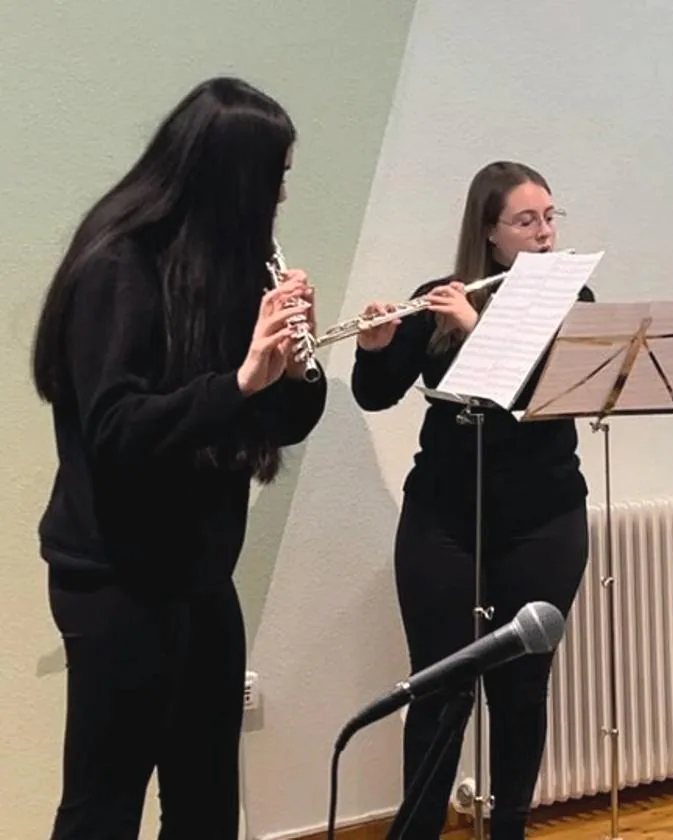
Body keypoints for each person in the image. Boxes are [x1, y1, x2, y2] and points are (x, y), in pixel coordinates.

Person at [30, 77, 327, 839]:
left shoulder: (225, 266)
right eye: (275, 179)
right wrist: (239, 380)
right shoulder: (117, 266)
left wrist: (294, 368)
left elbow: (280, 421)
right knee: (103, 805)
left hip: (198, 573)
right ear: (230, 179)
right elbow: (117, 429)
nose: (281, 199)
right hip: (115, 579)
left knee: (203, 803)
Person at [351, 160, 592, 839]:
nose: (544, 232)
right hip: (443, 519)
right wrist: (375, 349)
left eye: (550, 217)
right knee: (440, 688)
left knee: (520, 690)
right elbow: (376, 393)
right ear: (490, 234)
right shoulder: (442, 296)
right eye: (526, 221)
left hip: (544, 519)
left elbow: (542, 395)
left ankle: (508, 828)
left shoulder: (574, 299)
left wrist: (478, 330)